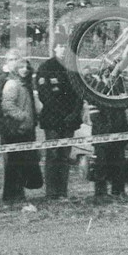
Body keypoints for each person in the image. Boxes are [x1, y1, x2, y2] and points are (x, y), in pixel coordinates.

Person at [36, 40, 83, 199]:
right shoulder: (46, 68)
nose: (63, 49)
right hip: (53, 120)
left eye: (66, 46)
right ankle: (51, 193)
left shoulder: (73, 68)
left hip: (70, 120)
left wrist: (75, 114)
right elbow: (45, 96)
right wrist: (63, 114)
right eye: (60, 46)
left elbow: (80, 94)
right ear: (54, 48)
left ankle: (62, 191)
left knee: (64, 156)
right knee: (53, 155)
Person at [0, 58, 43, 202]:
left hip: (27, 129)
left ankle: (19, 194)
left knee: (23, 163)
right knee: (14, 163)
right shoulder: (12, 84)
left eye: (26, 67)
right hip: (16, 129)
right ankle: (11, 195)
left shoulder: (27, 85)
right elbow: (7, 105)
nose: (24, 69)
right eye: (21, 67)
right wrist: (22, 116)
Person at [90, 80, 128, 198]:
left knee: (118, 165)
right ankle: (101, 193)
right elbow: (94, 116)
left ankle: (118, 191)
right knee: (101, 165)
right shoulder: (97, 89)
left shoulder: (118, 89)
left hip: (118, 134)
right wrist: (105, 132)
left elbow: (123, 113)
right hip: (102, 136)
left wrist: (125, 131)